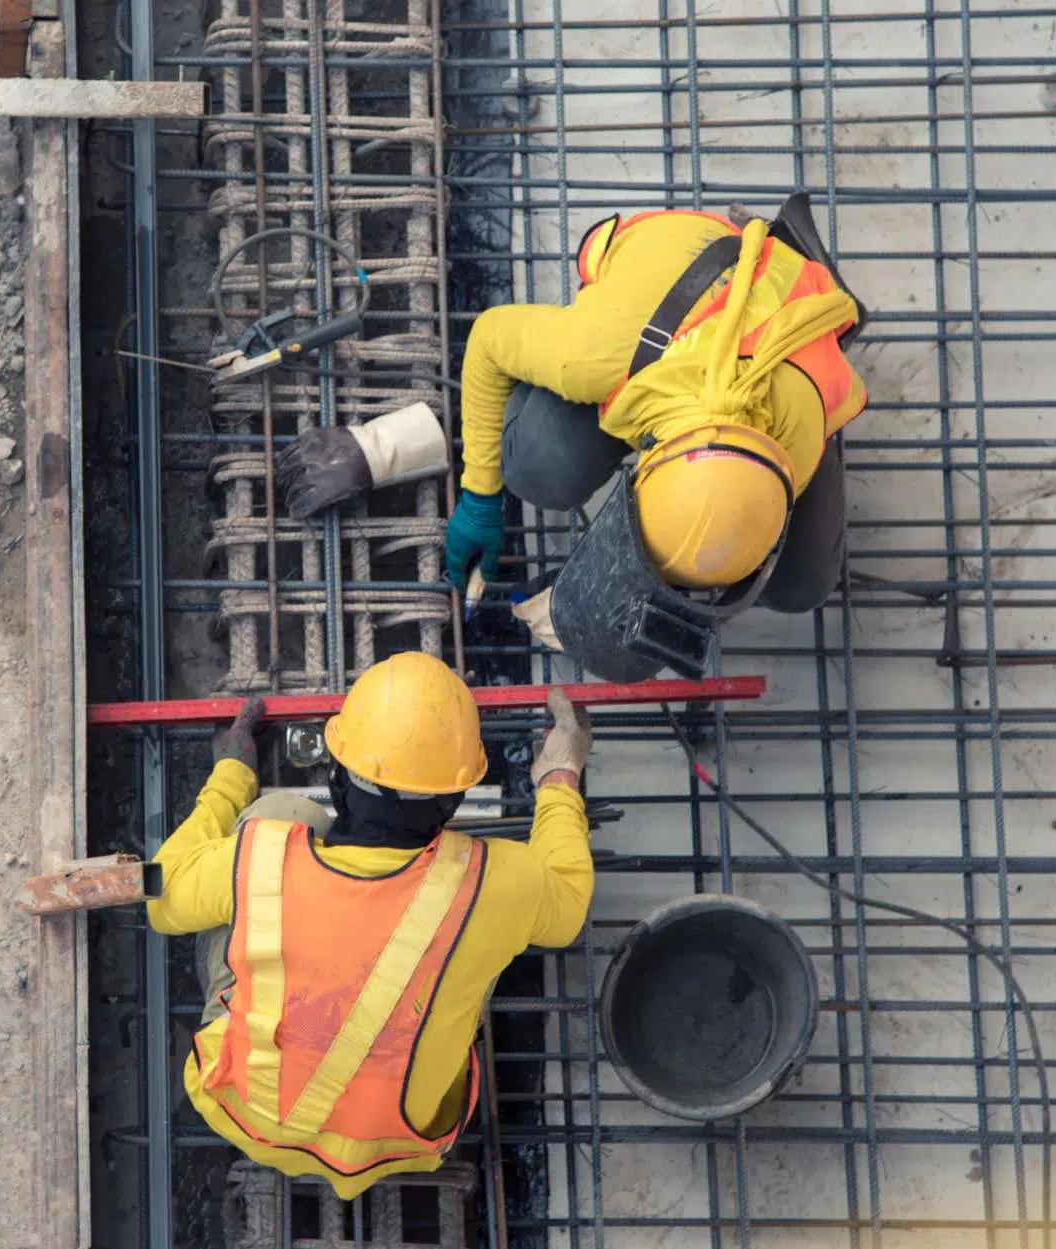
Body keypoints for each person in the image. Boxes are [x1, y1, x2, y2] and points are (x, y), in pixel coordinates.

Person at [146, 652, 594, 1198]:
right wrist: (560, 774)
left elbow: (161, 898)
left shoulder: (261, 858)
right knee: (476, 936)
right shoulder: (494, 881)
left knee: (279, 816)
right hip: (403, 1143)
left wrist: (231, 775)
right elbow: (569, 904)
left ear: (337, 778)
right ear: (454, 801)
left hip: (244, 1113)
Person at [442, 195, 870, 680]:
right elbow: (487, 341)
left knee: (800, 586)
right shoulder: (595, 355)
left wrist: (605, 600)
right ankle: (766, 241)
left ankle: (799, 264)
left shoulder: (801, 431)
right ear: (645, 464)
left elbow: (712, 531)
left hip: (786, 330)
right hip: (676, 267)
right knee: (537, 468)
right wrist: (480, 493)